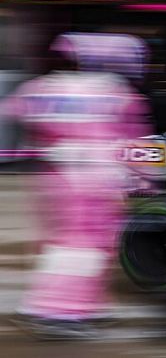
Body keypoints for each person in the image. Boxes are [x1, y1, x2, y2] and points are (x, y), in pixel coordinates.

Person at [4, 33, 150, 339]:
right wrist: (140, 181)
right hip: (98, 182)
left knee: (64, 244)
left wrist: (32, 149)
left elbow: (12, 113)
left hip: (58, 181)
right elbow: (134, 143)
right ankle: (62, 308)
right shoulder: (118, 94)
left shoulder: (43, 88)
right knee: (86, 248)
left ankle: (76, 305)